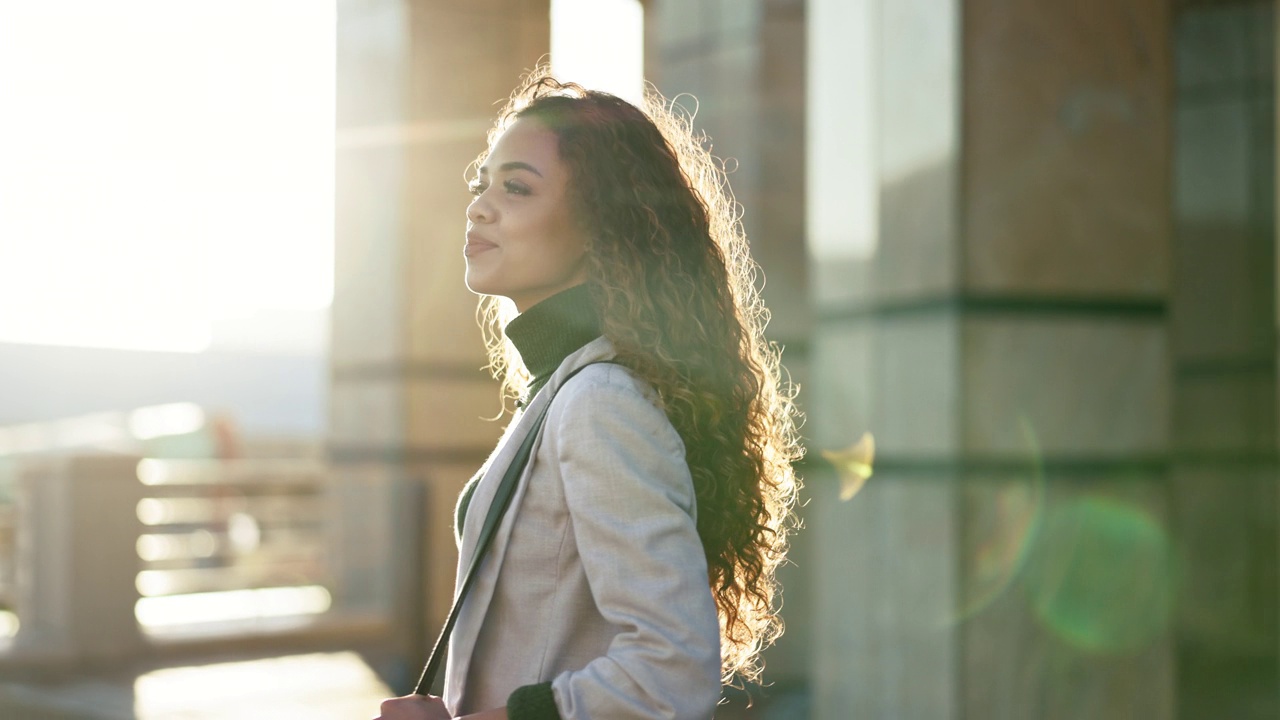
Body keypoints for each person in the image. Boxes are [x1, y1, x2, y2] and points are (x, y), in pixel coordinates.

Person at [375, 68, 802, 720]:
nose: (479, 205)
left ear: (603, 226)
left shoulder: (599, 400)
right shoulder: (565, 386)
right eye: (479, 183)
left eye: (515, 187)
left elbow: (674, 669)